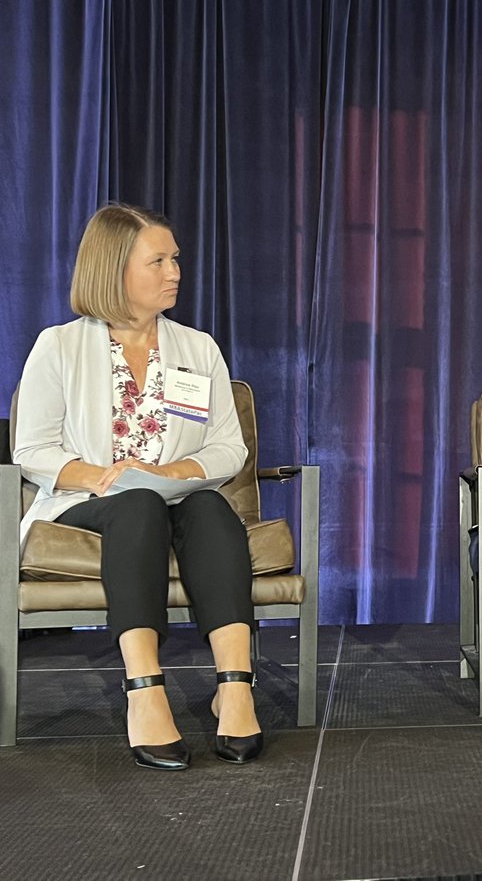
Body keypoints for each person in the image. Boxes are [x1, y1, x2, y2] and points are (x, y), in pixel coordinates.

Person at [13, 204, 263, 769]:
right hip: (87, 502)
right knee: (137, 507)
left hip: (175, 496)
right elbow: (31, 448)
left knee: (210, 510)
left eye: (175, 259)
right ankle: (144, 689)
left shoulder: (198, 349)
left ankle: (235, 684)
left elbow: (227, 448)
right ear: (114, 269)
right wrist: (101, 476)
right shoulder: (59, 347)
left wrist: (174, 473)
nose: (175, 271)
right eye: (159, 260)